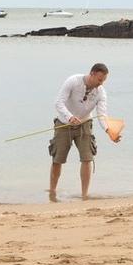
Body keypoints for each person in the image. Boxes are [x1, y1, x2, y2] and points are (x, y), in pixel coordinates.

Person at [48, 63, 119, 200]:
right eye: (99, 79)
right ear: (92, 73)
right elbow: (58, 102)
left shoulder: (101, 92)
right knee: (57, 160)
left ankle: (84, 195)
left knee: (87, 158)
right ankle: (52, 192)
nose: (101, 83)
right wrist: (69, 117)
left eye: (104, 80)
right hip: (63, 123)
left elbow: (102, 114)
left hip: (85, 124)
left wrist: (109, 131)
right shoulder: (73, 81)